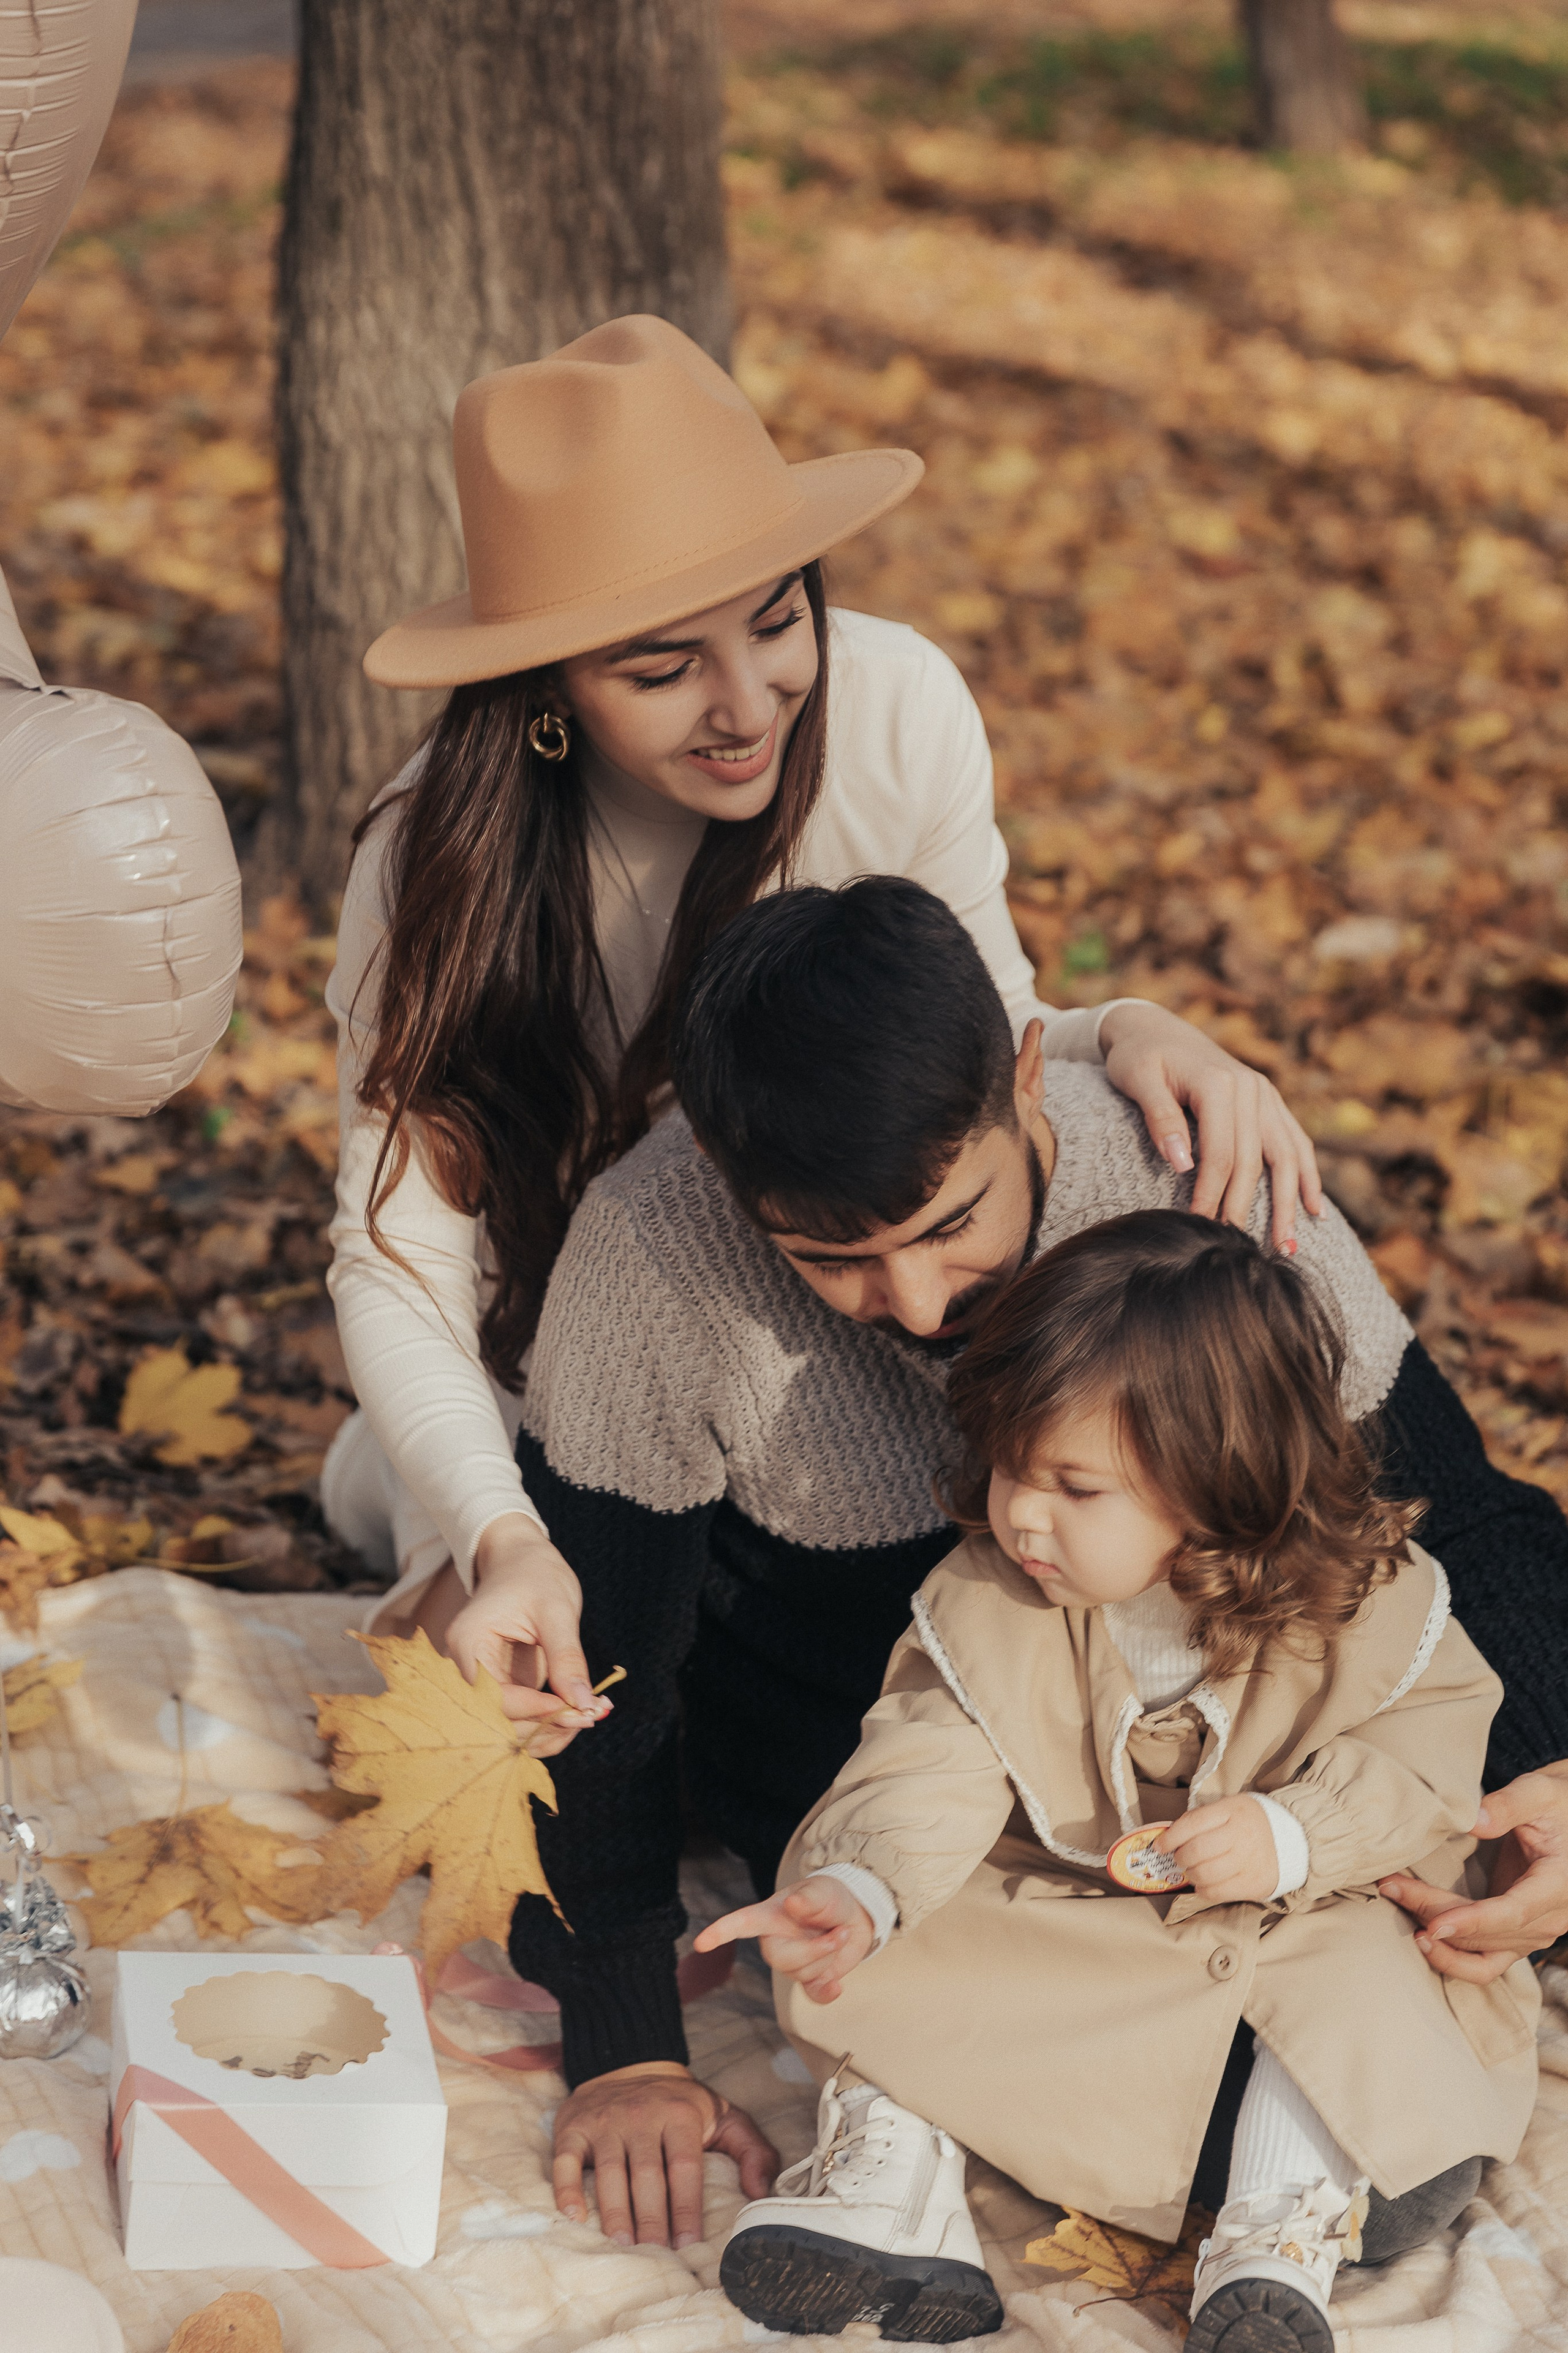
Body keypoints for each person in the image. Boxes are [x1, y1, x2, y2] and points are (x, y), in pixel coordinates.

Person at [506, 877, 1568, 2250]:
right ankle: (910, 2187)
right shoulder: (646, 1255)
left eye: (952, 1222)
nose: (918, 1303)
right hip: (878, 1763)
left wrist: (1550, 1774)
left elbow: (1446, 1516)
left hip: (1240, 1773)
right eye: (831, 1259)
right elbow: (599, 1679)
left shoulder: (1194, 1177)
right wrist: (624, 2035)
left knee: (1360, 1959)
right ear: (717, 1168)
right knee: (889, 1962)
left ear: (1027, 1074)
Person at [318, 311, 1323, 1741]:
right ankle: (391, 1478)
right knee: (538, 1711)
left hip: (844, 1311)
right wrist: (496, 1528)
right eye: (661, 669)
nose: (744, 709)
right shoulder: (434, 862)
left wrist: (1133, 1025)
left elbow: (976, 1046)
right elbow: (399, 1245)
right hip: (577, 1346)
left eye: (778, 621)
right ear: (546, 683)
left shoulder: (895, 707)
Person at [697, 1212, 1538, 2351]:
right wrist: (865, 1887)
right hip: (1079, 1940)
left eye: (1075, 1487)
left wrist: (1295, 1833)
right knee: (903, 1944)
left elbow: (1428, 1758)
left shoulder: (1373, 1599)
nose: (1021, 1513)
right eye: (1007, 1467)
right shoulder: (992, 1595)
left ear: (1217, 1482)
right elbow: (928, 1755)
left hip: (1289, 1933)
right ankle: (892, 2190)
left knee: (1369, 1976)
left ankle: (1274, 2233)